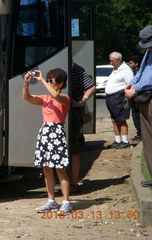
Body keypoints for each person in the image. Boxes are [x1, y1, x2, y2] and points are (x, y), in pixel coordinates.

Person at [23, 68, 72, 215]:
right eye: (49, 80)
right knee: (46, 169)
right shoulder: (45, 98)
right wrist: (26, 84)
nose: (50, 83)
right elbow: (27, 98)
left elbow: (55, 95)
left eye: (52, 81)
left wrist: (42, 79)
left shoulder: (65, 98)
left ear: (61, 83)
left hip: (56, 132)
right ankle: (51, 201)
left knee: (60, 169)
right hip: (45, 132)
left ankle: (66, 202)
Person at [125, 25, 152, 180]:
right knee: (147, 140)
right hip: (144, 97)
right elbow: (141, 71)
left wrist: (136, 89)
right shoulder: (148, 52)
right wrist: (132, 83)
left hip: (148, 95)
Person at [70, 62, 96, 191]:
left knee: (72, 149)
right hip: (60, 115)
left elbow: (91, 87)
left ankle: (73, 183)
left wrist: (81, 102)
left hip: (73, 115)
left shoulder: (75, 68)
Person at [105, 52, 133, 149]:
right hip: (111, 97)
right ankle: (117, 140)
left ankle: (125, 141)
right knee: (114, 119)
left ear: (119, 60)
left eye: (112, 61)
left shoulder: (126, 69)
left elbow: (130, 84)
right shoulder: (115, 69)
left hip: (119, 97)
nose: (111, 62)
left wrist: (126, 97)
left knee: (122, 119)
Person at [128, 55, 142, 141]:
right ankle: (139, 132)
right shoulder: (134, 71)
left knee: (137, 116)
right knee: (135, 115)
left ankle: (140, 133)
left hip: (137, 97)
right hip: (134, 98)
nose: (130, 65)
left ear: (137, 64)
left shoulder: (139, 73)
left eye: (131, 63)